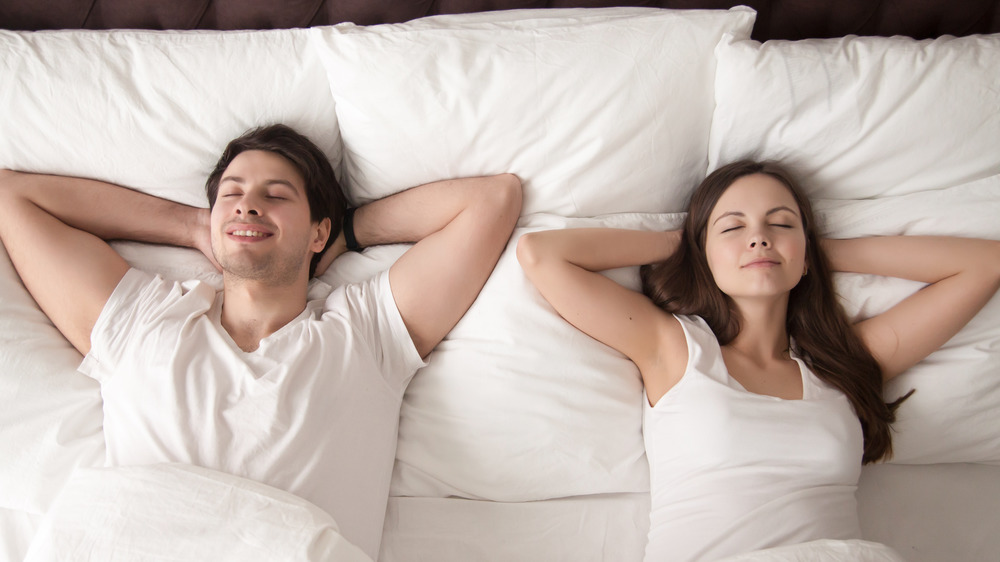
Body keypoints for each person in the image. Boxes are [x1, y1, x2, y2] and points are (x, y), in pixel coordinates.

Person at [0, 124, 522, 559]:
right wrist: (189, 225)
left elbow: (493, 198)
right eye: (232, 193)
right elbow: (12, 195)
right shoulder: (144, 320)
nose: (247, 205)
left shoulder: (367, 333)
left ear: (316, 233)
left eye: (275, 196)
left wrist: (347, 230)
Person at [516, 160, 1000, 561]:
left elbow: (985, 265)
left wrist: (817, 251)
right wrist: (683, 245)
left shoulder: (841, 365)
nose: (759, 238)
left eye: (781, 224)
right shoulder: (674, 348)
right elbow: (541, 254)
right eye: (733, 227)